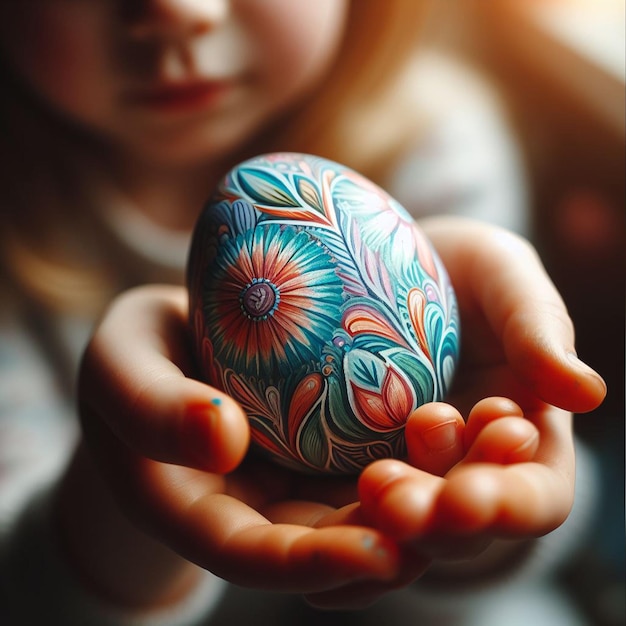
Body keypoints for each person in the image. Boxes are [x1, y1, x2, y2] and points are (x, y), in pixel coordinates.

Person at [0, 2, 606, 625]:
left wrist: (471, 516)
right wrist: (120, 486)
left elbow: (525, 501)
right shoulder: (11, 233)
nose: (177, 11)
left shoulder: (435, 140)